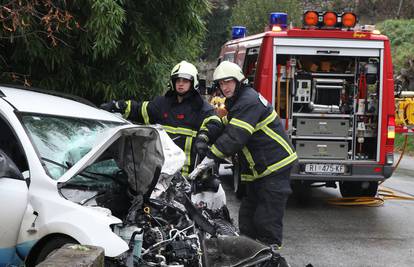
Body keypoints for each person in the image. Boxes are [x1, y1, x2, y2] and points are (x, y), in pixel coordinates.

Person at [195, 61, 297, 248]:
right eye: (221, 84)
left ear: (238, 81)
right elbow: (223, 122)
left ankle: (270, 258)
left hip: (275, 167)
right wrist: (205, 135)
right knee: (247, 219)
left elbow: (234, 137)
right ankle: (248, 256)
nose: (225, 87)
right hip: (259, 171)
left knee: (266, 222)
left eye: (228, 82)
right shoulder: (238, 102)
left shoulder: (248, 101)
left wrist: (209, 157)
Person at [100, 60, 222, 177]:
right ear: (172, 82)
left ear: (193, 82)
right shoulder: (162, 104)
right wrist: (117, 106)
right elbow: (139, 109)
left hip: (187, 177)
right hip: (159, 175)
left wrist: (203, 138)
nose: (180, 83)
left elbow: (215, 123)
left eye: (185, 80)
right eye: (177, 80)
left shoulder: (201, 107)